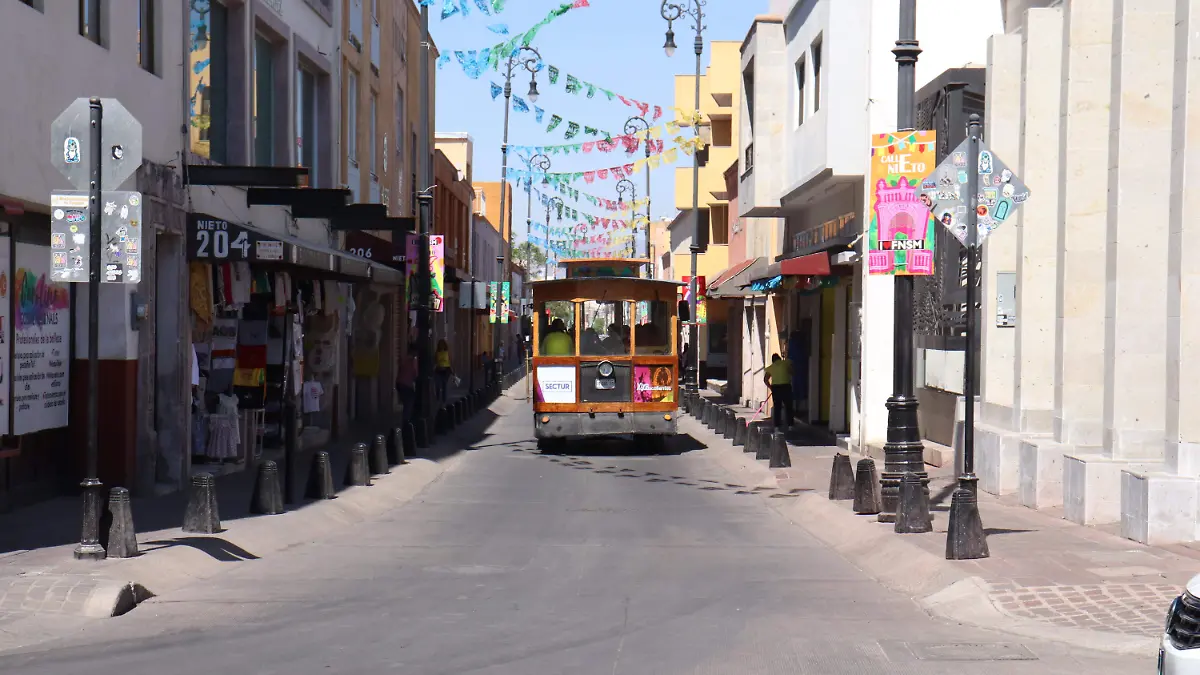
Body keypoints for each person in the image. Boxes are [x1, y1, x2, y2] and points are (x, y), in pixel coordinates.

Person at [764, 353, 794, 431]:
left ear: (773, 361)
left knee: (777, 407)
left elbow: (765, 379)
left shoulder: (771, 367)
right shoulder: (785, 363)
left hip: (776, 388)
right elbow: (792, 372)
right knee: (788, 406)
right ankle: (790, 425)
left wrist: (771, 387)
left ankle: (777, 426)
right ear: (779, 358)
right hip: (786, 386)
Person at [396, 344, 418, 423]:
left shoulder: (404, 358)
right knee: (409, 403)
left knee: (406, 403)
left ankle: (405, 420)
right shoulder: (413, 361)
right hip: (406, 384)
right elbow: (415, 374)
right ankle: (406, 422)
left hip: (399, 383)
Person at [434, 339, 453, 404]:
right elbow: (435, 361)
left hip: (446, 370)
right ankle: (437, 399)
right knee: (438, 385)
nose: (441, 346)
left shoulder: (447, 352)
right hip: (438, 370)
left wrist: (452, 370)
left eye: (442, 344)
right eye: (440, 344)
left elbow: (450, 361)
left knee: (444, 385)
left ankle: (443, 400)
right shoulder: (437, 352)